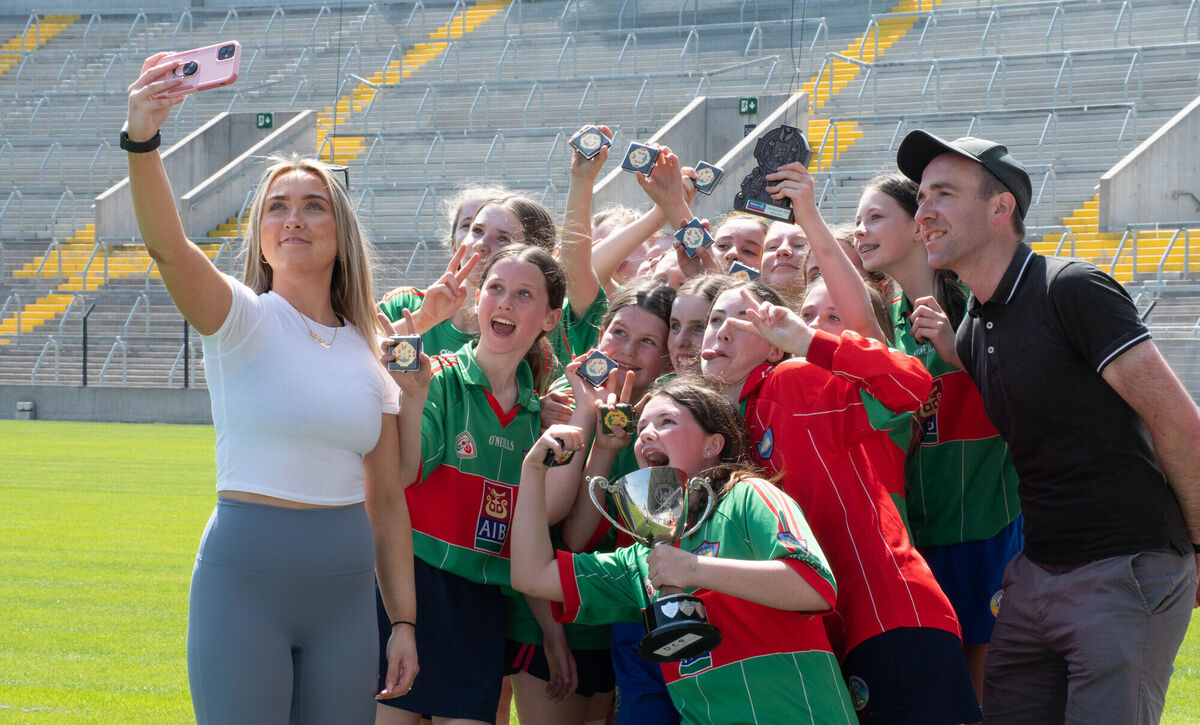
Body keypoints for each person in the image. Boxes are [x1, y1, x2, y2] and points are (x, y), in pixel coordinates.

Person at [125, 54, 416, 723]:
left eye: (314, 206)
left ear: (340, 234)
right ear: (260, 235)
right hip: (245, 585)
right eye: (276, 208)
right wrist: (142, 138)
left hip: (346, 599)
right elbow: (170, 248)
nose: (294, 219)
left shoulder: (369, 349)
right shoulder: (241, 320)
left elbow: (388, 500)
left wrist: (403, 619)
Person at [896, 129, 1200, 723]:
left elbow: (1179, 422)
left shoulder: (1071, 288)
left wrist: (1196, 546)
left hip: (1125, 570)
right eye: (921, 196)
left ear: (1000, 207)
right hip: (1036, 576)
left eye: (943, 194)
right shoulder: (973, 326)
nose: (923, 212)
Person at [704, 281, 982, 724]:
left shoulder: (791, 380)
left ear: (774, 347)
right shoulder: (723, 433)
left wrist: (807, 341)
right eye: (715, 319)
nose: (720, 332)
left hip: (888, 620)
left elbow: (911, 385)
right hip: (829, 644)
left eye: (743, 321)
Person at [511, 379, 858, 725]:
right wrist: (533, 470)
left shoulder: (749, 496)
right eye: (642, 426)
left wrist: (693, 569)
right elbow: (532, 575)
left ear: (713, 444)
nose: (646, 434)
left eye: (667, 422)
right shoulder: (645, 557)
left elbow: (815, 587)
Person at [378, 245, 575, 725]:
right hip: (407, 590)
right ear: (478, 302)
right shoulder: (438, 379)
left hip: (480, 608)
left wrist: (552, 632)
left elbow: (525, 544)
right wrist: (414, 396)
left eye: (523, 294)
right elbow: (402, 474)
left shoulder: (540, 421)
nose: (505, 303)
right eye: (496, 289)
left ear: (550, 318)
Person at [852, 171, 1022, 700]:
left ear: (919, 225)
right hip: (919, 534)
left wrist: (959, 353)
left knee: (984, 689)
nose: (860, 231)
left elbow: (1029, 397)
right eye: (857, 220)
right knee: (937, 692)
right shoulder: (893, 322)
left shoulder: (980, 304)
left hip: (985, 526)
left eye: (876, 217)